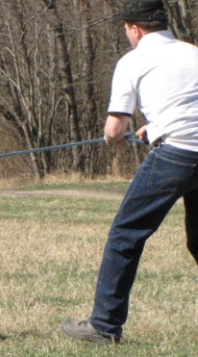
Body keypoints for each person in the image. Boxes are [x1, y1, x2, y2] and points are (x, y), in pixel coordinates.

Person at [61, 0, 198, 345]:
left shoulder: (132, 61)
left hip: (175, 157)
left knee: (126, 236)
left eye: (126, 30)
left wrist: (116, 137)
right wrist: (152, 129)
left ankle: (104, 326)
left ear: (135, 28)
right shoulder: (193, 53)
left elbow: (113, 128)